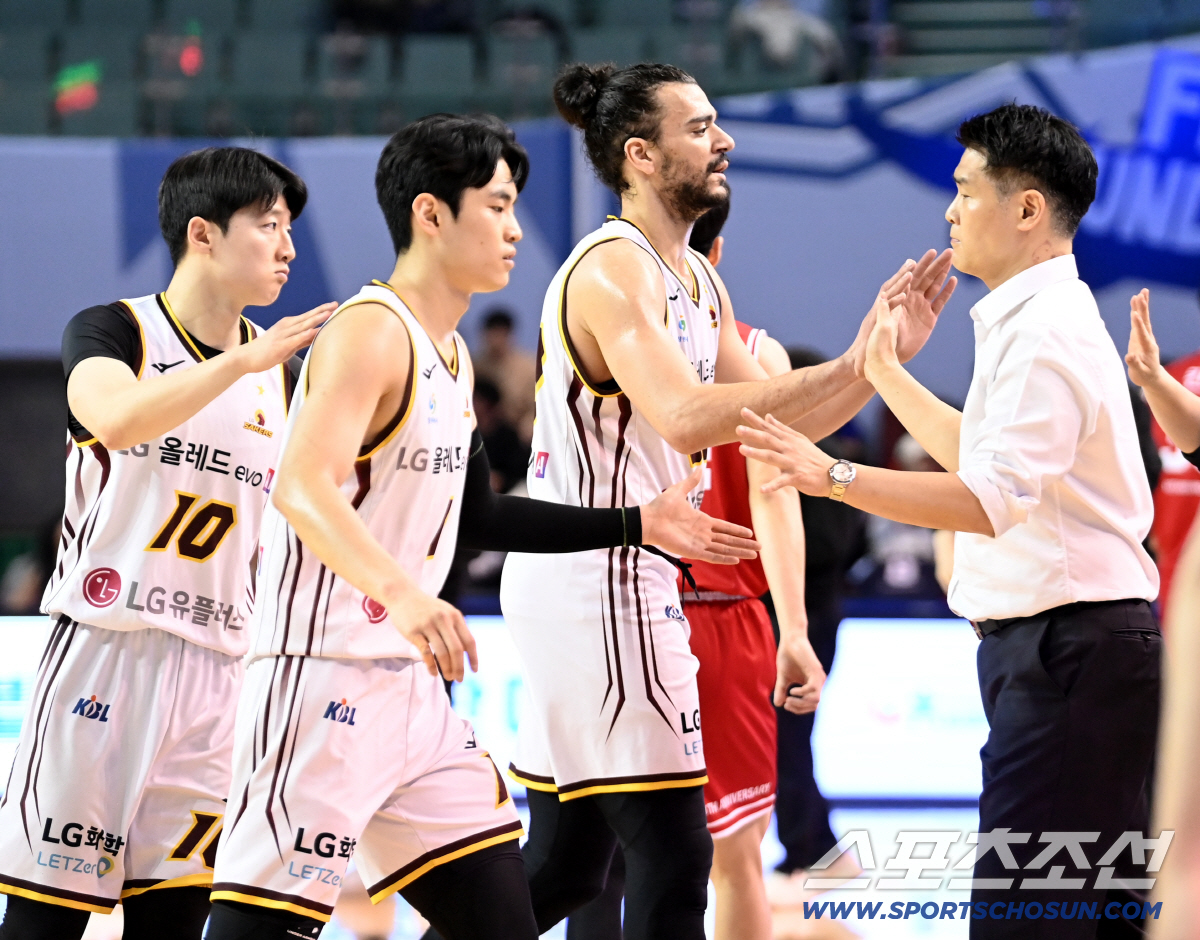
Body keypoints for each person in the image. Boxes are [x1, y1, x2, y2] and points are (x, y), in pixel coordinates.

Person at [203, 113, 759, 940]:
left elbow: (482, 515)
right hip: (318, 679)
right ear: (431, 214)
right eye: (497, 207)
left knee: (515, 910)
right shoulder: (370, 330)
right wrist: (405, 596)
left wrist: (638, 522)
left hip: (413, 695)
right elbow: (300, 486)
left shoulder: (452, 354)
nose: (514, 229)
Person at [500, 61, 954, 939]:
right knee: (671, 853)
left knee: (574, 862)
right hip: (600, 581)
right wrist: (847, 362)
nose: (725, 141)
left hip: (627, 582)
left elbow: (780, 428)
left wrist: (875, 365)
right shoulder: (611, 269)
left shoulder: (698, 282)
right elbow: (682, 414)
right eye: (701, 127)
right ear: (640, 154)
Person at [738, 103, 1161, 938]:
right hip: (1076, 653)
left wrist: (832, 476)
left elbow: (984, 500)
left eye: (967, 191)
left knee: (1022, 924)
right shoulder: (1039, 319)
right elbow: (982, 458)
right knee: (1083, 919)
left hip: (1069, 653)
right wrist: (883, 371)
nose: (950, 210)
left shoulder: (1043, 331)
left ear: (1027, 208)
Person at [0, 147, 336, 940]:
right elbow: (115, 419)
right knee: (44, 925)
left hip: (221, 676)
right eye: (269, 226)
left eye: (290, 229)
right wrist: (243, 361)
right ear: (203, 233)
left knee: (176, 922)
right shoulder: (115, 329)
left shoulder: (285, 376)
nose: (289, 248)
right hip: (107, 656)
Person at [560, 201, 827, 940]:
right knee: (733, 858)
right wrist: (793, 627)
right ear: (718, 253)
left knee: (604, 855)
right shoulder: (762, 358)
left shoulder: (600, 334)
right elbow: (776, 497)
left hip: (623, 611)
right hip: (715, 613)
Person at [472, 308, 537, 442]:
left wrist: (527, 427)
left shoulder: (529, 367)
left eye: (501, 334)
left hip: (518, 432)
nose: (496, 339)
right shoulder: (475, 365)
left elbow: (538, 406)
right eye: (492, 333)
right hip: (484, 430)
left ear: (509, 334)